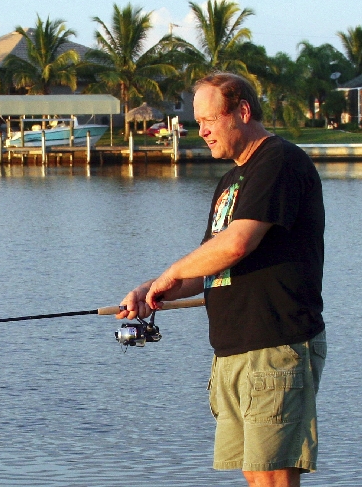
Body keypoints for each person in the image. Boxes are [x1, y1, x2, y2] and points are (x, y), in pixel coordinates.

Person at [117, 72, 326, 487]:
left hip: (274, 345)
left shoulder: (278, 162)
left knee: (275, 475)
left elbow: (236, 245)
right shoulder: (231, 180)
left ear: (242, 111)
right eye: (198, 123)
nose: (203, 131)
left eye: (209, 120)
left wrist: (172, 272)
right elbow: (209, 262)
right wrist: (151, 289)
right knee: (255, 472)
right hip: (233, 350)